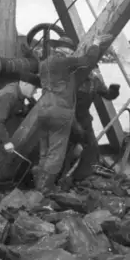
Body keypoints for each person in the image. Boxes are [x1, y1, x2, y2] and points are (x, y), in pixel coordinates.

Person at [15, 34, 114, 192]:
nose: (70, 53)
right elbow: (87, 61)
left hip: (43, 110)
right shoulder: (65, 62)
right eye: (69, 50)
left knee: (44, 148)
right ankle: (45, 187)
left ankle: (38, 176)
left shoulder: (45, 64)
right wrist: (95, 44)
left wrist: (28, 55)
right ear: (65, 50)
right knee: (56, 151)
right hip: (60, 111)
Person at [62, 69, 121, 186]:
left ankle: (83, 176)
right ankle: (64, 176)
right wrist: (75, 126)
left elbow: (107, 95)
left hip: (84, 118)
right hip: (68, 117)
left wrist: (114, 91)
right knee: (68, 147)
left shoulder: (95, 80)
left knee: (92, 146)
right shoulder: (71, 79)